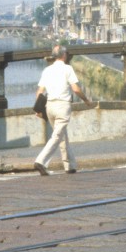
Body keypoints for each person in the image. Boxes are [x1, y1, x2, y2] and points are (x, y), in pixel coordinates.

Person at [33, 45, 93, 175]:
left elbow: (39, 92)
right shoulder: (68, 68)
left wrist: (38, 110)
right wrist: (86, 100)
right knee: (57, 136)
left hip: (49, 107)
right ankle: (41, 161)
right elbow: (76, 89)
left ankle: (70, 166)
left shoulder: (47, 70)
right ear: (64, 55)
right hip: (62, 106)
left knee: (61, 135)